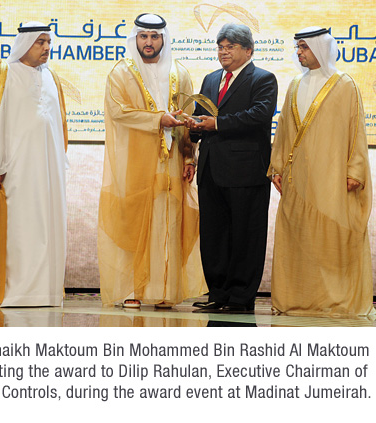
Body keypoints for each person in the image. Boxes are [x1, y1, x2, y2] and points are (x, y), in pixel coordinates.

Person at [98, 13, 207, 308]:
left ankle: (163, 290)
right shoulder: (120, 73)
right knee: (134, 220)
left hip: (172, 161)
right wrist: (158, 119)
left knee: (169, 221)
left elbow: (186, 118)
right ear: (135, 38)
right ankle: (132, 289)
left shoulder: (179, 73)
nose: (149, 42)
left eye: (155, 36)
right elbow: (118, 112)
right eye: (144, 36)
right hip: (136, 160)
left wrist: (190, 157)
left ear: (164, 39)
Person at [268, 27, 375, 317]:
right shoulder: (294, 84)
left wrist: (355, 170)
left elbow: (357, 130)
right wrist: (276, 166)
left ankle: (334, 301)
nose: (299, 52)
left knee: (331, 238)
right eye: (298, 48)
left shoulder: (344, 85)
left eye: (304, 47)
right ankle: (296, 300)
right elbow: (285, 132)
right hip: (297, 178)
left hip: (333, 179)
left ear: (321, 48)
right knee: (299, 236)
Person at [0, 21, 68, 307]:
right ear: (25, 43)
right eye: (40, 42)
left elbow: (58, 125)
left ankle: (45, 293)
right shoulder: (4, 73)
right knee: (22, 226)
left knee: (48, 224)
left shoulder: (52, 78)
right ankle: (16, 292)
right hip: (17, 167)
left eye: (49, 42)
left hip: (49, 170)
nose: (47, 47)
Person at [186, 23, 278, 313]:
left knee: (245, 235)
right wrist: (191, 125)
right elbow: (203, 117)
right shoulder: (211, 79)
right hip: (212, 169)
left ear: (248, 50)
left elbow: (260, 115)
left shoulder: (263, 79)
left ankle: (240, 297)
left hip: (247, 171)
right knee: (214, 234)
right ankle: (218, 293)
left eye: (230, 47)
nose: (223, 52)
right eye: (220, 47)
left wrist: (219, 123)